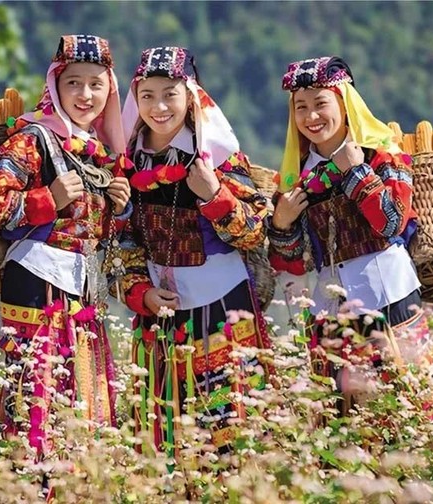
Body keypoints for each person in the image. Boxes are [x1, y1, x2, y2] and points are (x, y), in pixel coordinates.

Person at [0, 34, 131, 459]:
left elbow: (93, 233)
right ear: (55, 84)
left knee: (82, 397)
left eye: (97, 84)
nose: (85, 94)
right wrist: (46, 200)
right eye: (74, 82)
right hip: (36, 282)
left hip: (81, 288)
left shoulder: (98, 154)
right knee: (36, 397)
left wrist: (117, 207)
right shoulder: (33, 138)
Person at [109, 46, 271, 456]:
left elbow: (254, 233)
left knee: (232, 436)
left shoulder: (217, 156)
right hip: (158, 317)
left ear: (190, 96)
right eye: (147, 95)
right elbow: (121, 241)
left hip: (223, 310)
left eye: (170, 94)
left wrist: (214, 194)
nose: (159, 106)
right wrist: (139, 292)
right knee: (162, 442)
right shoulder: (127, 164)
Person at [267, 56, 433, 414]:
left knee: (406, 407)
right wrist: (282, 223)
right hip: (330, 308)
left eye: (320, 104)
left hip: (388, 297)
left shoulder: (382, 155)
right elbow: (294, 263)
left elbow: (391, 223)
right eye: (301, 107)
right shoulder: (295, 178)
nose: (311, 117)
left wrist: (355, 171)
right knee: (341, 419)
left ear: (345, 105)